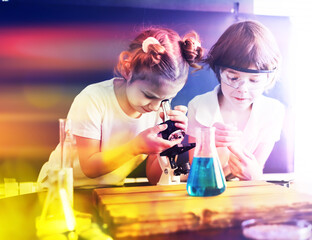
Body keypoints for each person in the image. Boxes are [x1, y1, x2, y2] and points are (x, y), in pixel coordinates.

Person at [38, 28, 203, 187]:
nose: (155, 107)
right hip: (59, 190)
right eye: (149, 96)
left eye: (166, 99)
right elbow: (89, 167)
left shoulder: (159, 110)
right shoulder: (93, 99)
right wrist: (136, 146)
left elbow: (154, 178)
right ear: (128, 70)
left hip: (107, 193)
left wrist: (169, 143)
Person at [187, 20, 285, 181]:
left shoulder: (272, 111)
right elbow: (199, 175)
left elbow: (255, 172)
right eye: (233, 78)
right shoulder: (200, 106)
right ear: (219, 71)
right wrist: (210, 143)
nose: (243, 89)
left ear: (269, 78)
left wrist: (255, 175)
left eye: (254, 80)